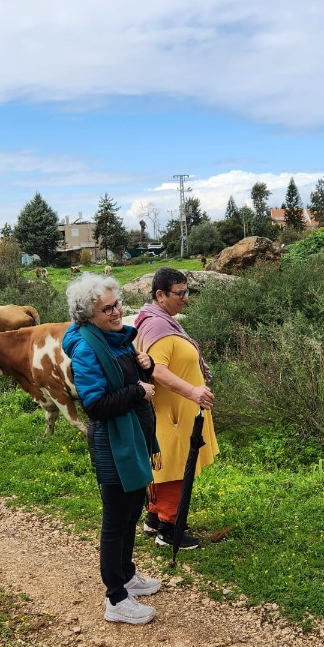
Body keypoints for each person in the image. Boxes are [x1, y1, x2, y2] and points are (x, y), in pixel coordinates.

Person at [62, 273, 162, 625]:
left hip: (132, 438)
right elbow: (96, 406)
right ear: (87, 315)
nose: (117, 311)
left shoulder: (118, 340)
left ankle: (127, 574)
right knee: (116, 519)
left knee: (132, 510)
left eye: (117, 304)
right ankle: (116, 598)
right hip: (112, 444)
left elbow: (131, 383)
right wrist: (138, 390)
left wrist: (143, 369)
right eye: (107, 308)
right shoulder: (88, 348)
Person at [133, 267, 219, 549]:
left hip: (175, 408)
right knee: (175, 464)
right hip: (172, 410)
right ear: (160, 294)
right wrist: (193, 391)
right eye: (180, 293)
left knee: (165, 462)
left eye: (187, 292)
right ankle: (169, 530)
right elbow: (157, 370)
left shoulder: (158, 320)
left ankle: (155, 517)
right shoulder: (157, 327)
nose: (185, 298)